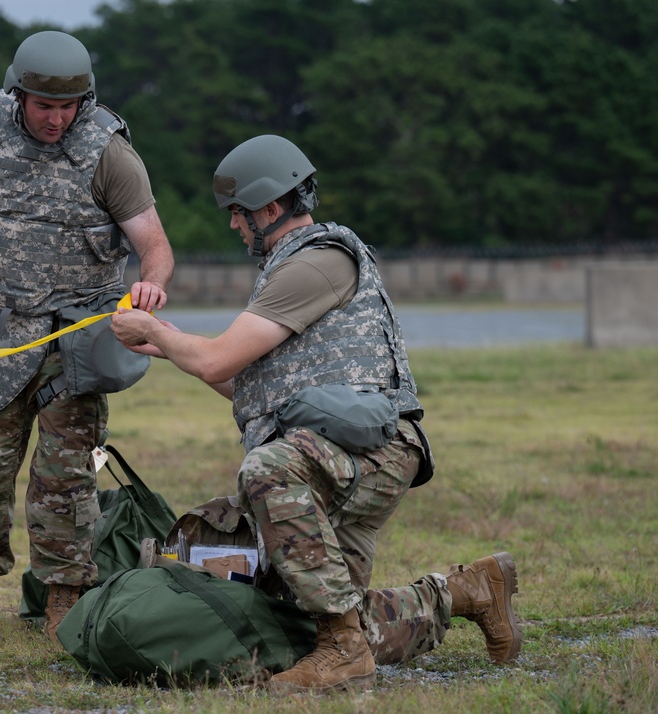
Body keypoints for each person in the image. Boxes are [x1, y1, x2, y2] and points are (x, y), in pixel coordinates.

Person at [112, 135, 521, 692]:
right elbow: (249, 387)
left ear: (270, 209)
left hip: (372, 452)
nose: (234, 226)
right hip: (341, 454)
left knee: (266, 471)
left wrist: (159, 332)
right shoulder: (294, 267)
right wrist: (167, 344)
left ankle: (344, 652)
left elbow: (215, 362)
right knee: (307, 626)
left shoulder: (315, 264)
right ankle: (468, 592)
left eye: (237, 213)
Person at [0, 31, 174, 644]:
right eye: (44, 106)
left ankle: (63, 605)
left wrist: (151, 287)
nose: (57, 119)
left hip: (69, 350)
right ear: (19, 94)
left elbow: (154, 246)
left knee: (66, 484)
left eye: (68, 107)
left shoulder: (109, 152)